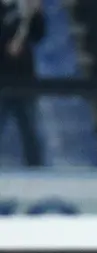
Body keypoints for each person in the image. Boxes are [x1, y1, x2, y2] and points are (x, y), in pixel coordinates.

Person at [0, 0, 45, 167]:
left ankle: (37, 171)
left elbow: (39, 35)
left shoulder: (27, 8)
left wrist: (38, 14)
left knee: (31, 132)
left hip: (25, 81)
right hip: (2, 82)